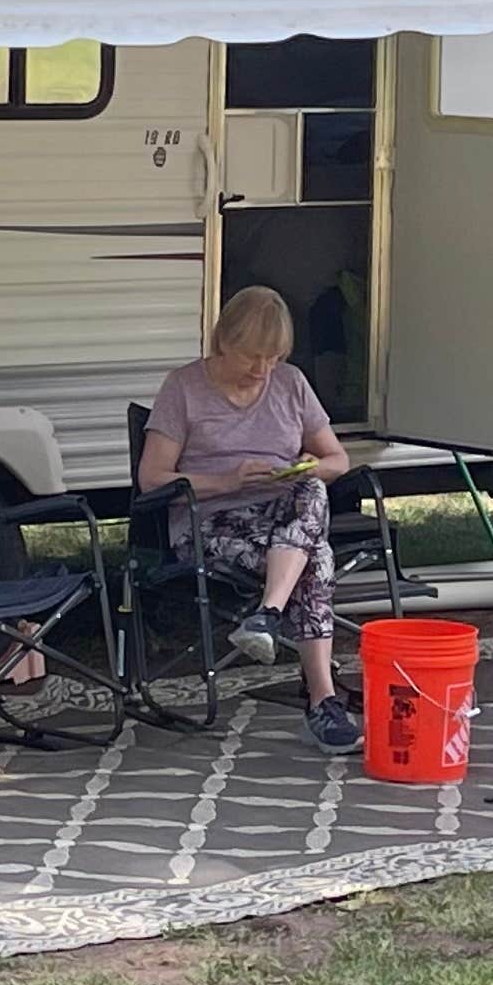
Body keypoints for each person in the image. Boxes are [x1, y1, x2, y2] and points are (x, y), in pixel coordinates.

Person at [141, 286, 364, 754]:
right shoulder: (183, 388)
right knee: (316, 558)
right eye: (251, 357)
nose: (262, 370)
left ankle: (267, 616)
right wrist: (227, 480)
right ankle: (322, 702)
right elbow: (152, 479)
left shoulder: (291, 383)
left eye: (274, 357)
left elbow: (338, 459)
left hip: (281, 515)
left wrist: (306, 466)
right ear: (223, 341)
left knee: (314, 488)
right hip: (211, 525)